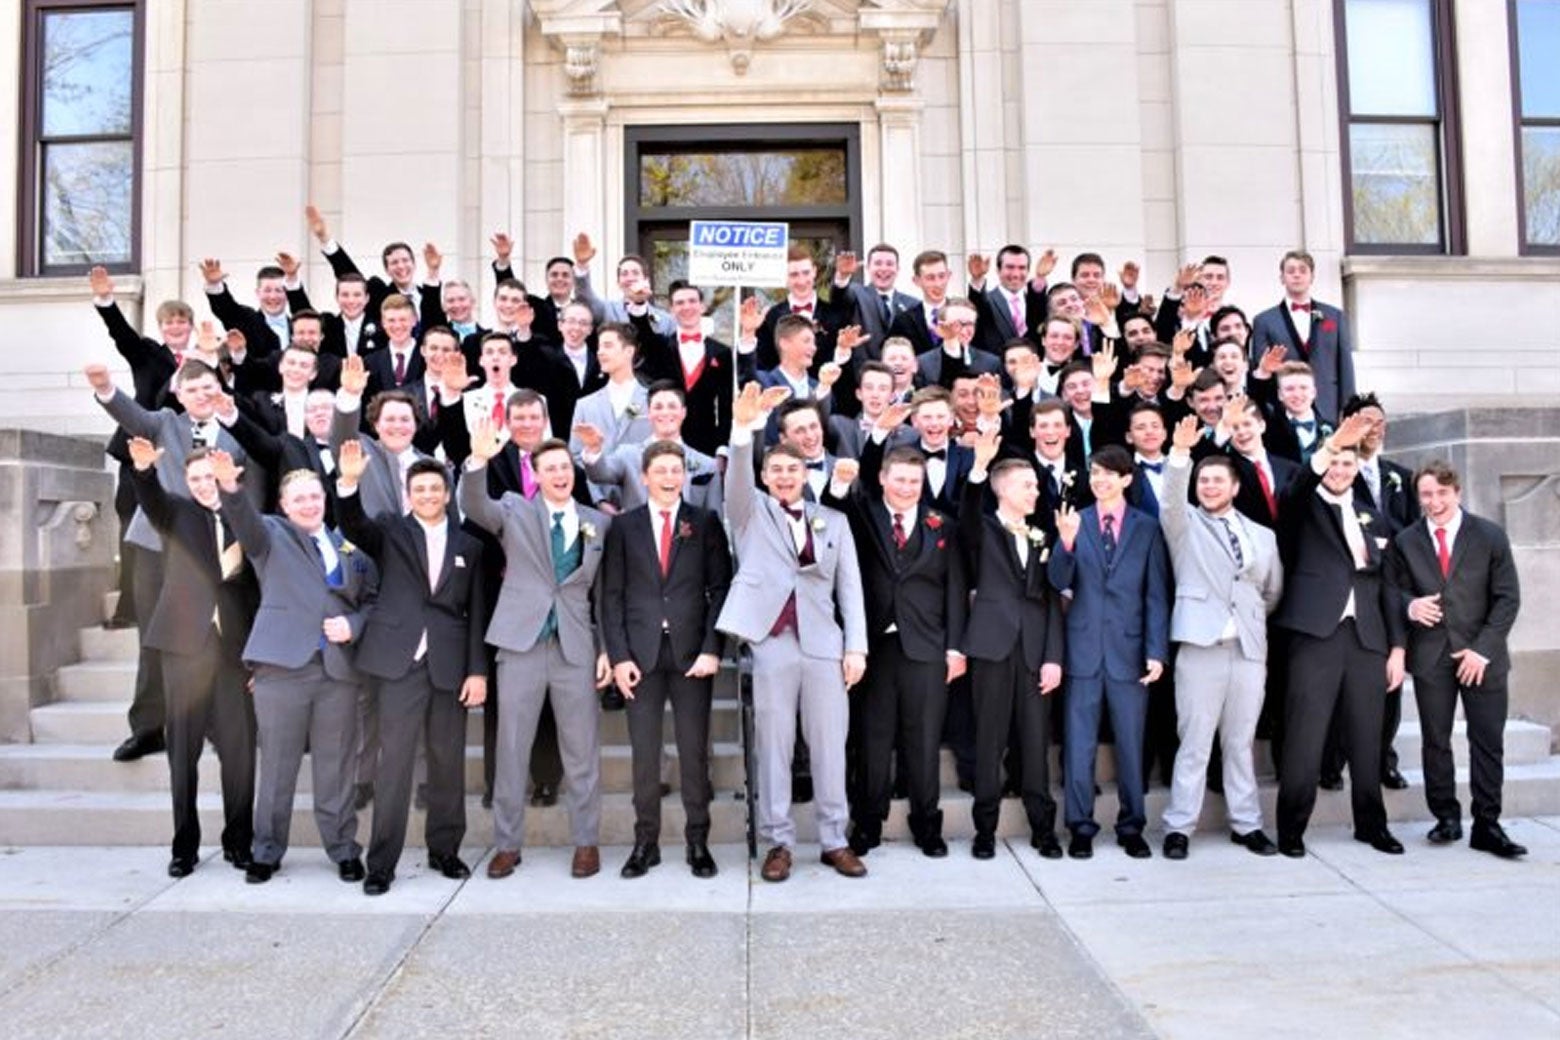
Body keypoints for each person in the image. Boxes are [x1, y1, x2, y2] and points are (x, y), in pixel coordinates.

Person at [716, 383, 869, 882]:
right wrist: (743, 431)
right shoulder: (749, 511)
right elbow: (736, 479)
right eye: (776, 470)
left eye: (793, 470)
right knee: (775, 745)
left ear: (807, 474)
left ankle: (834, 840)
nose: (785, 476)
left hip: (824, 645)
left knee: (829, 745)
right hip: (771, 642)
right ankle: (778, 842)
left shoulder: (834, 522)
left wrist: (856, 647)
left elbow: (851, 591)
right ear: (765, 476)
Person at [212, 453, 378, 884]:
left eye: (313, 497)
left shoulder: (350, 550)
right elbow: (243, 520)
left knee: (337, 766)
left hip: (337, 673)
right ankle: (266, 850)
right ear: (284, 506)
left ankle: (343, 848)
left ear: (325, 499)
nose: (308, 504)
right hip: (282, 668)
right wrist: (231, 489)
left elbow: (371, 600)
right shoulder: (270, 534)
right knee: (278, 766)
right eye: (298, 499)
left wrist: (354, 624)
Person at [89, 353, 261, 767]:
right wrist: (105, 389)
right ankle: (148, 729)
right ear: (178, 394)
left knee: (221, 636)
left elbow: (252, 487)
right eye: (193, 389)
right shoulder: (164, 422)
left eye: (209, 387)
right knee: (155, 637)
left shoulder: (238, 434)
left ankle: (220, 724)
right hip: (158, 544)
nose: (202, 395)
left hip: (217, 547)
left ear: (220, 390)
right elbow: (130, 413)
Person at [460, 427, 613, 880]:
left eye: (566, 467)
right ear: (536, 474)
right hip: (521, 643)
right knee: (511, 747)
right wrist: (476, 462)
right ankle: (507, 844)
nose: (560, 474)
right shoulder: (513, 510)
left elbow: (603, 593)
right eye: (551, 468)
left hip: (575, 647)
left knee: (582, 749)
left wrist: (604, 648)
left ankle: (586, 842)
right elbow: (473, 505)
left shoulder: (597, 522)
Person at [335, 444, 488, 895]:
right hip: (398, 665)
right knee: (394, 764)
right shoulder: (390, 532)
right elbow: (352, 524)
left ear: (447, 494)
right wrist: (347, 484)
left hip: (449, 666)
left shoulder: (470, 545)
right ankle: (381, 863)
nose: (427, 494)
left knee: (447, 763)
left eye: (435, 488)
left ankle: (445, 850)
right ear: (409, 494)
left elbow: (477, 612)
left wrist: (477, 672)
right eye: (419, 488)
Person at [1272, 413, 1407, 858]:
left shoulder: (1372, 517)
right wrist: (1328, 448)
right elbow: (1293, 490)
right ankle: (1291, 829)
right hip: (1316, 635)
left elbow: (1388, 586)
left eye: (1348, 464)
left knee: (1368, 738)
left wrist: (1397, 648)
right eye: (1335, 463)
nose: (1340, 471)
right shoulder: (1303, 505)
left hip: (1367, 638)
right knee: (1306, 737)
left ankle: (1372, 825)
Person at [125, 438, 259, 878]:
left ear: (227, 476)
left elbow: (257, 589)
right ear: (186, 482)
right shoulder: (176, 513)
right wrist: (144, 473)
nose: (204, 486)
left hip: (233, 655)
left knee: (239, 754)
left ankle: (239, 842)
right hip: (185, 651)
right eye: (196, 479)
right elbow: (152, 499)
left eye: (210, 477)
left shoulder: (245, 518)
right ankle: (184, 847)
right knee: (182, 754)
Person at [600, 440, 733, 878]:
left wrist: (714, 649)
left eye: (676, 470)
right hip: (640, 656)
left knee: (694, 752)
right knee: (644, 754)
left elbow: (720, 591)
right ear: (644, 476)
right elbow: (612, 596)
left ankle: (698, 841)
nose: (669, 478)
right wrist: (618, 657)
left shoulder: (705, 522)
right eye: (661, 471)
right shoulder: (625, 527)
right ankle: (646, 843)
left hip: (693, 654)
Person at [824, 449, 967, 858]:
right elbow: (832, 511)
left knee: (923, 740)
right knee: (872, 739)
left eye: (914, 482)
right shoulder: (863, 514)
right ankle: (867, 823)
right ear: (883, 479)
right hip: (872, 646)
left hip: (927, 646)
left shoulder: (942, 524)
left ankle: (927, 824)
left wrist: (955, 647)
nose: (907, 488)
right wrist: (839, 484)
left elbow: (955, 588)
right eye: (900, 480)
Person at [1157, 417, 1284, 859]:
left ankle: (1246, 824)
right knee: (1194, 742)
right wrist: (1179, 456)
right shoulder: (1185, 524)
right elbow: (1171, 499)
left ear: (1234, 487)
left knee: (1239, 742)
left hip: (1248, 651)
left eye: (1217, 480)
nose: (1209, 486)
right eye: (1203, 480)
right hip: (1200, 648)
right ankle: (1179, 826)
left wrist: (1245, 620)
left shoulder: (1262, 536)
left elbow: (1271, 592)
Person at [1388, 461, 1525, 858]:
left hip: (1483, 657)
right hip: (1432, 656)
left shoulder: (1489, 536)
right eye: (1426, 495)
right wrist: (1410, 607)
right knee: (1436, 741)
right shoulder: (1407, 541)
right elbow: (1391, 590)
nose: (1434, 502)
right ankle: (1445, 816)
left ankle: (1487, 824)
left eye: (1441, 493)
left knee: (1487, 741)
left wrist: (1483, 649)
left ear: (1457, 493)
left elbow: (1508, 598)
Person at [1048, 446, 1171, 859]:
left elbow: (1155, 594)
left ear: (1126, 479)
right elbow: (1057, 583)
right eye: (1095, 472)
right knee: (1079, 744)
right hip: (1082, 651)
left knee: (1131, 746)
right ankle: (1080, 826)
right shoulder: (1074, 521)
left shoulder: (1146, 527)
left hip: (1130, 652)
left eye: (1108, 473)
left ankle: (1131, 825)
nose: (1099, 480)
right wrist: (1064, 545)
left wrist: (1156, 650)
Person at [959, 430, 1066, 859]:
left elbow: (1052, 600)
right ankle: (984, 831)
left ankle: (1044, 830)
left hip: (1035, 653)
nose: (1036, 492)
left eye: (1037, 486)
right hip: (991, 649)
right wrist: (979, 468)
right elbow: (967, 514)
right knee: (988, 741)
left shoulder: (1043, 534)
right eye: (1028, 485)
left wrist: (1053, 657)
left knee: (1036, 742)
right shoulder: (982, 529)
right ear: (1003, 489)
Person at [1250, 250, 1354, 424]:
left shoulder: (1334, 316)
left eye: (1302, 270)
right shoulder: (1263, 321)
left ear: (1312, 276)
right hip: (1283, 412)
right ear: (1282, 278)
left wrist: (1349, 409)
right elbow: (1262, 370)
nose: (1296, 275)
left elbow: (1345, 367)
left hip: (1328, 406)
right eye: (1290, 271)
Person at [831, 244, 920, 356]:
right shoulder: (856, 293)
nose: (883, 269)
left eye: (889, 264)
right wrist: (842, 277)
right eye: (878, 263)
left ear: (897, 269)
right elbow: (839, 296)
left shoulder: (913, 304)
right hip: (864, 370)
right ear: (868, 267)